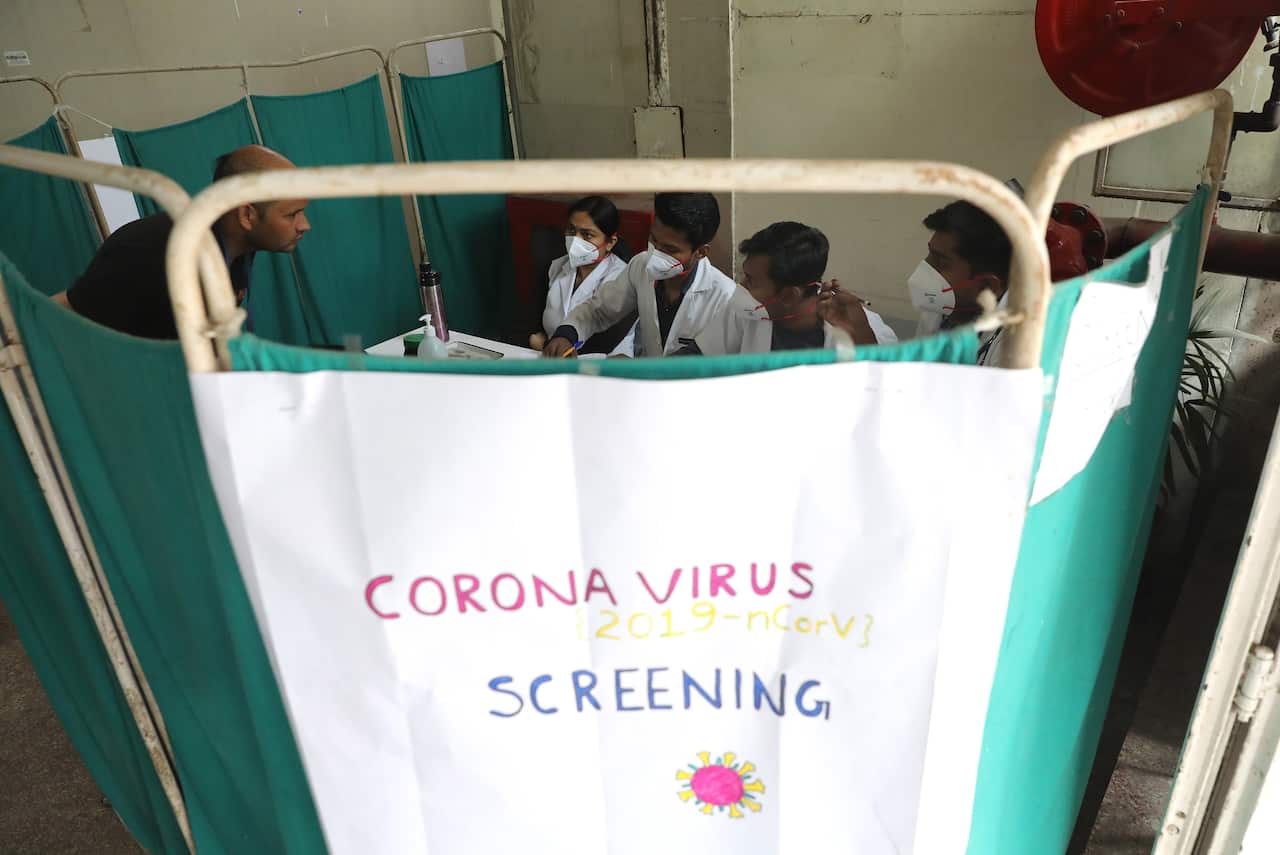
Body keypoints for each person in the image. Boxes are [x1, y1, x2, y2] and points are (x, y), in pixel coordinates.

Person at [52, 144, 309, 339]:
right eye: (292, 215)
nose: (304, 225)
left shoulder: (239, 243)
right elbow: (66, 311)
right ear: (247, 214)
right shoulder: (150, 250)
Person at [541, 192, 735, 358]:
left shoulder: (724, 297)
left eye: (669, 249)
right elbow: (598, 310)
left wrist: (637, 367)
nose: (655, 253)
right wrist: (566, 334)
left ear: (700, 252)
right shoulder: (641, 265)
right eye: (653, 239)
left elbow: (707, 363)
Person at [700, 221, 898, 354]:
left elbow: (891, 389)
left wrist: (861, 336)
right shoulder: (746, 312)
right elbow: (698, 355)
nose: (741, 286)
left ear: (788, 295)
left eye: (751, 280)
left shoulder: (862, 327)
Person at [530, 195, 635, 356]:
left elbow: (604, 341)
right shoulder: (555, 267)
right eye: (572, 231)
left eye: (587, 235)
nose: (575, 240)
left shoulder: (622, 279)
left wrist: (545, 344)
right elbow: (533, 327)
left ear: (610, 242)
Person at [905, 200, 1011, 339]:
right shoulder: (941, 310)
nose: (925, 275)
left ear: (988, 287)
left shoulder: (1022, 343)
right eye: (930, 255)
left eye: (942, 263)